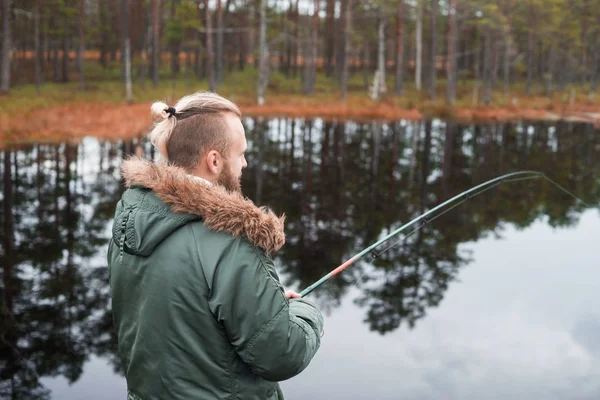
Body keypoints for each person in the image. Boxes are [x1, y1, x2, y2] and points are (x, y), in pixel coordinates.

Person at [107, 92, 324, 400]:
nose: (245, 163)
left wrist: (268, 306)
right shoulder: (232, 244)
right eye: (241, 154)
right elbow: (281, 354)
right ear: (214, 160)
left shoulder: (131, 219)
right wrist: (304, 312)